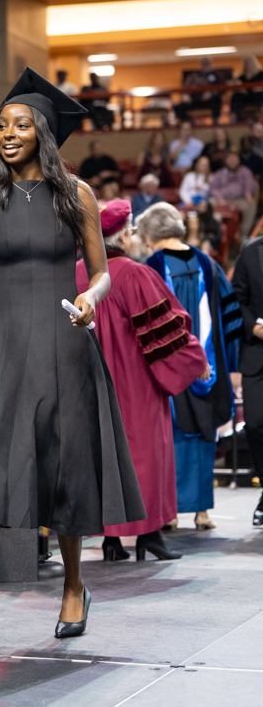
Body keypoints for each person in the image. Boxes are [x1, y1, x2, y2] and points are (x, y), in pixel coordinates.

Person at [0, 67, 144, 657]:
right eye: (1, 126)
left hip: (66, 345)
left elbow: (101, 272)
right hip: (6, 349)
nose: (7, 133)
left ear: (42, 130)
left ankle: (72, 586)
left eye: (19, 124)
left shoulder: (78, 196)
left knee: (62, 471)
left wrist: (91, 300)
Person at [77, 201, 208, 561]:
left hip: (87, 385)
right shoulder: (134, 274)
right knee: (145, 455)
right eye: (131, 230)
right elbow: (168, 329)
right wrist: (193, 359)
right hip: (136, 385)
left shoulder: (73, 274)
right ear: (121, 234)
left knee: (101, 458)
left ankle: (111, 542)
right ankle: (150, 535)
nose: (134, 236)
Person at [138, 202, 242, 531]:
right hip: (208, 364)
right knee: (203, 431)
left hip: (166, 364)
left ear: (150, 234)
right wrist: (230, 364)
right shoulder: (208, 265)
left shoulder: (150, 266)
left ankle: (170, 512)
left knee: (172, 435)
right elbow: (231, 318)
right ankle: (201, 512)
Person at [232, 239, 263, 526]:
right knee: (253, 424)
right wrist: (253, 325)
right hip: (257, 354)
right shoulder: (250, 252)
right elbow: (236, 298)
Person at [209, 150, 257, 241]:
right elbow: (213, 188)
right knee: (209, 203)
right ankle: (214, 233)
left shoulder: (245, 171)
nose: (232, 161)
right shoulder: (219, 173)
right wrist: (220, 199)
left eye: (235, 159)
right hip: (223, 200)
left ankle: (243, 234)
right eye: (230, 159)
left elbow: (249, 183)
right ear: (225, 161)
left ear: (238, 160)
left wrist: (248, 194)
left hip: (240, 200)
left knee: (251, 205)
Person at [174, 57, 223, 124]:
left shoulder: (216, 75)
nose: (205, 65)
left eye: (207, 63)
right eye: (204, 63)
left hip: (208, 100)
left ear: (210, 63)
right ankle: (190, 122)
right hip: (193, 99)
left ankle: (215, 120)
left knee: (217, 99)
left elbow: (222, 87)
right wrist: (184, 94)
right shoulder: (194, 75)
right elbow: (185, 86)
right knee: (177, 107)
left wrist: (212, 93)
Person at [230, 56, 263, 123]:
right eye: (246, 63)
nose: (248, 65)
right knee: (236, 96)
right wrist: (239, 88)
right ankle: (235, 120)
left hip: (258, 96)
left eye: (250, 63)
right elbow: (233, 84)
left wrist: (260, 88)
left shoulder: (260, 74)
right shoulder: (241, 77)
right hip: (245, 97)